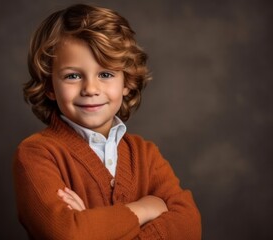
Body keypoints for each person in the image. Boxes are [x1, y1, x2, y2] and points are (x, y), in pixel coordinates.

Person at [13, 3, 201, 240]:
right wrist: (143, 209)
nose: (90, 89)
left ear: (127, 82)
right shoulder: (36, 155)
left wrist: (92, 224)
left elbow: (189, 226)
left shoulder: (147, 155)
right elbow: (68, 234)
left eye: (105, 74)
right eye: (72, 76)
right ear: (50, 86)